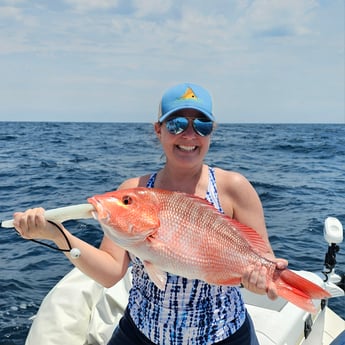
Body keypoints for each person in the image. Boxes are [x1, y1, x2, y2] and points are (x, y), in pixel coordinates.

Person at [14, 82, 287, 345]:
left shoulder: (234, 188)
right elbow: (110, 273)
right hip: (142, 332)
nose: (189, 135)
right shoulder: (135, 188)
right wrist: (56, 234)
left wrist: (260, 281)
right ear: (158, 130)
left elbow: (263, 260)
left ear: (211, 132)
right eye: (176, 124)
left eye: (201, 126)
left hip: (222, 334)